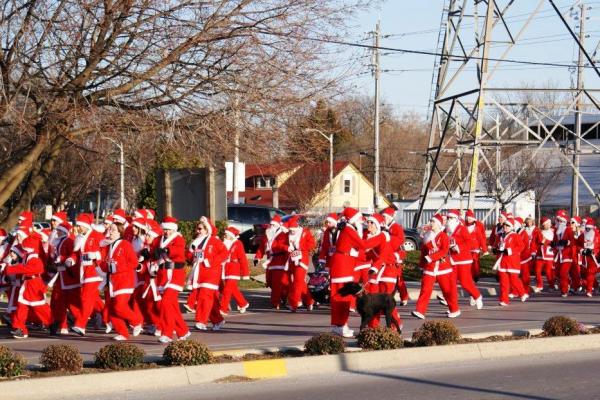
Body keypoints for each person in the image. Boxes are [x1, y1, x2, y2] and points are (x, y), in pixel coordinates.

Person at [1, 237, 52, 339]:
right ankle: (20, 329)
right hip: (27, 285)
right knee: (21, 307)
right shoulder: (27, 257)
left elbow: (33, 269)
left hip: (34, 285)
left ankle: (52, 323)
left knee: (40, 308)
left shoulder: (35, 258)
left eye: (25, 247)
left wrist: (11, 269)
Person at [412, 214, 460, 320]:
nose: (431, 223)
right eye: (431, 221)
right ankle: (420, 311)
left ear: (438, 224)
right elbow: (424, 252)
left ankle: (454, 309)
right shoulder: (427, 236)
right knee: (425, 290)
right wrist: (421, 265)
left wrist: (431, 257)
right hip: (430, 268)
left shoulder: (443, 236)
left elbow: (444, 251)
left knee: (447, 291)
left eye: (433, 222)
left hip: (443, 268)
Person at [102, 222, 143, 340]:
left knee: (119, 306)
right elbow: (105, 264)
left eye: (113, 230)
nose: (109, 231)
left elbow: (134, 262)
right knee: (112, 308)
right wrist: (105, 266)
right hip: (113, 281)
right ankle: (123, 333)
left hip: (125, 280)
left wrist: (117, 266)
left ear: (119, 232)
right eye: (109, 229)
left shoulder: (125, 244)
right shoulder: (109, 246)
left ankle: (136, 321)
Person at [329, 207, 365, 337]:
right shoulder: (350, 230)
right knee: (344, 296)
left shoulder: (346, 229)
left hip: (340, 264)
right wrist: (382, 237)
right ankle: (342, 325)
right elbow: (363, 245)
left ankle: (337, 324)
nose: (361, 221)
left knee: (337, 295)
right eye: (359, 218)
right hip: (343, 265)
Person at [189, 217, 228, 331]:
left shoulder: (214, 241)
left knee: (204, 297)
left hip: (211, 274)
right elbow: (190, 256)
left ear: (207, 230)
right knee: (209, 299)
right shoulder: (195, 242)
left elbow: (225, 253)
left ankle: (201, 321)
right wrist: (191, 256)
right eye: (197, 229)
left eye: (200, 229)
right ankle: (218, 320)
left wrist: (210, 262)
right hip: (199, 273)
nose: (198, 231)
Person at [364, 213, 401, 329]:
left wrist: (374, 267)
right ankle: (373, 327)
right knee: (374, 300)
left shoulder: (382, 236)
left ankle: (396, 325)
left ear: (377, 225)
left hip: (389, 270)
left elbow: (383, 256)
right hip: (378, 271)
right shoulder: (369, 237)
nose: (368, 224)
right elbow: (367, 254)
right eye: (368, 222)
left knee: (387, 301)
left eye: (371, 222)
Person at [156, 216, 190, 343]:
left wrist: (167, 249)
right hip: (163, 275)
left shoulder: (178, 239)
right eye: (165, 229)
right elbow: (153, 250)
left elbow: (179, 250)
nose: (166, 232)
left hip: (176, 274)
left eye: (169, 230)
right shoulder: (159, 239)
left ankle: (168, 333)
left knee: (165, 303)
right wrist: (147, 253)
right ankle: (183, 330)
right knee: (172, 306)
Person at [70, 213, 105, 336]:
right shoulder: (79, 238)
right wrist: (72, 260)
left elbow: (104, 251)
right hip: (84, 273)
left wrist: (95, 255)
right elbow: (76, 253)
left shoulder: (97, 235)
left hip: (95, 272)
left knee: (86, 299)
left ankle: (80, 325)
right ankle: (109, 316)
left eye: (79, 226)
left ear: (85, 226)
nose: (77, 228)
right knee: (92, 299)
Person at [445, 210, 483, 309]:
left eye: (451, 218)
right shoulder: (447, 230)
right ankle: (453, 308)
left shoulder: (462, 229)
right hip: (451, 260)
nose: (449, 220)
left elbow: (469, 243)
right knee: (451, 283)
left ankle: (477, 296)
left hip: (463, 260)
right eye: (448, 218)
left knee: (465, 282)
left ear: (456, 219)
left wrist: (458, 247)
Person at [48, 222, 80, 335]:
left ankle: (81, 321)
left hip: (68, 277)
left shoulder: (69, 241)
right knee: (59, 301)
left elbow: (74, 256)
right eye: (57, 230)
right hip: (60, 276)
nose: (58, 232)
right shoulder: (58, 241)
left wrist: (61, 258)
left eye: (60, 230)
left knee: (71, 303)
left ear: (65, 231)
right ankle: (61, 325)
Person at [254, 215, 290, 309]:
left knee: (278, 283)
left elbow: (287, 248)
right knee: (269, 282)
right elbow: (262, 247)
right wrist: (257, 257)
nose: (271, 226)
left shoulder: (284, 234)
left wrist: (287, 261)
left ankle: (277, 301)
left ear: (278, 225)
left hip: (280, 261)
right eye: (271, 224)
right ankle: (283, 297)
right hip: (270, 262)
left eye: (273, 225)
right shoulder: (267, 234)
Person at [494, 218, 528, 306]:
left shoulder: (515, 235)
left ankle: (522, 293)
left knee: (514, 279)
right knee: (503, 282)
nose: (505, 227)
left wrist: (509, 251)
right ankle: (504, 300)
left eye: (507, 226)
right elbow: (497, 245)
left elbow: (521, 246)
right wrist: (496, 249)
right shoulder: (501, 236)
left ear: (511, 227)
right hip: (503, 261)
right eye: (504, 225)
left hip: (512, 261)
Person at [380, 207, 409, 306]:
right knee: (393, 279)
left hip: (395, 255)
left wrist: (388, 233)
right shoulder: (384, 227)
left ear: (389, 217)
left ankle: (404, 296)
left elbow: (400, 241)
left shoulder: (396, 227)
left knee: (399, 279)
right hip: (388, 255)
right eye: (382, 216)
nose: (383, 218)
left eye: (384, 216)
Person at [286, 216, 315, 312]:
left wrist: (300, 246)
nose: (292, 231)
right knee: (301, 283)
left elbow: (312, 244)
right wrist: (286, 247)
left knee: (297, 282)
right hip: (292, 260)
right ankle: (309, 300)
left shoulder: (305, 232)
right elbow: (280, 243)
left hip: (302, 260)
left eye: (293, 230)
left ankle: (294, 303)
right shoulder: (287, 234)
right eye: (290, 230)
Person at [220, 226, 250, 315]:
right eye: (224, 234)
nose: (224, 236)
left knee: (227, 290)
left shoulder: (238, 243)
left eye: (226, 234)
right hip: (225, 268)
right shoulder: (224, 244)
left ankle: (223, 308)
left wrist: (245, 273)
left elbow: (243, 258)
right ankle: (243, 303)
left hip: (234, 268)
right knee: (233, 289)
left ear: (231, 235)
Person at [554, 210, 575, 297]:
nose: (560, 222)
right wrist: (553, 244)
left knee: (563, 273)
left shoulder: (569, 230)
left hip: (567, 255)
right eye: (558, 220)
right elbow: (554, 242)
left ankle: (564, 290)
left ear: (565, 222)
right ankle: (568, 282)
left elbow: (573, 242)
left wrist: (567, 242)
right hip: (559, 255)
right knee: (558, 274)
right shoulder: (556, 231)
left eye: (561, 221)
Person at [577, 217, 599, 297]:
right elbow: (577, 245)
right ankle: (596, 286)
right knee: (585, 275)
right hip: (584, 258)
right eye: (586, 228)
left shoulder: (597, 235)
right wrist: (582, 250)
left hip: (593, 258)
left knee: (590, 273)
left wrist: (594, 251)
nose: (587, 230)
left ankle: (589, 291)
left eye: (589, 228)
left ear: (592, 228)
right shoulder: (582, 236)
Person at [533, 217, 555, 293]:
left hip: (549, 254)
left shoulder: (553, 232)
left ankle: (551, 285)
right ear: (543, 225)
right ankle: (539, 285)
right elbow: (536, 242)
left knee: (549, 272)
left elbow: (553, 243)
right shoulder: (540, 232)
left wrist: (545, 241)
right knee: (537, 271)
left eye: (549, 224)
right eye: (547, 224)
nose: (549, 225)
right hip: (540, 254)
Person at [465, 210, 487, 282]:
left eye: (470, 218)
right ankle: (469, 276)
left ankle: (476, 275)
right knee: (468, 262)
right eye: (467, 218)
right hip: (467, 248)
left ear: (473, 218)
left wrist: (484, 249)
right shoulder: (464, 226)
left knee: (475, 262)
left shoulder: (477, 227)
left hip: (475, 248)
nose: (468, 219)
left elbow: (481, 238)